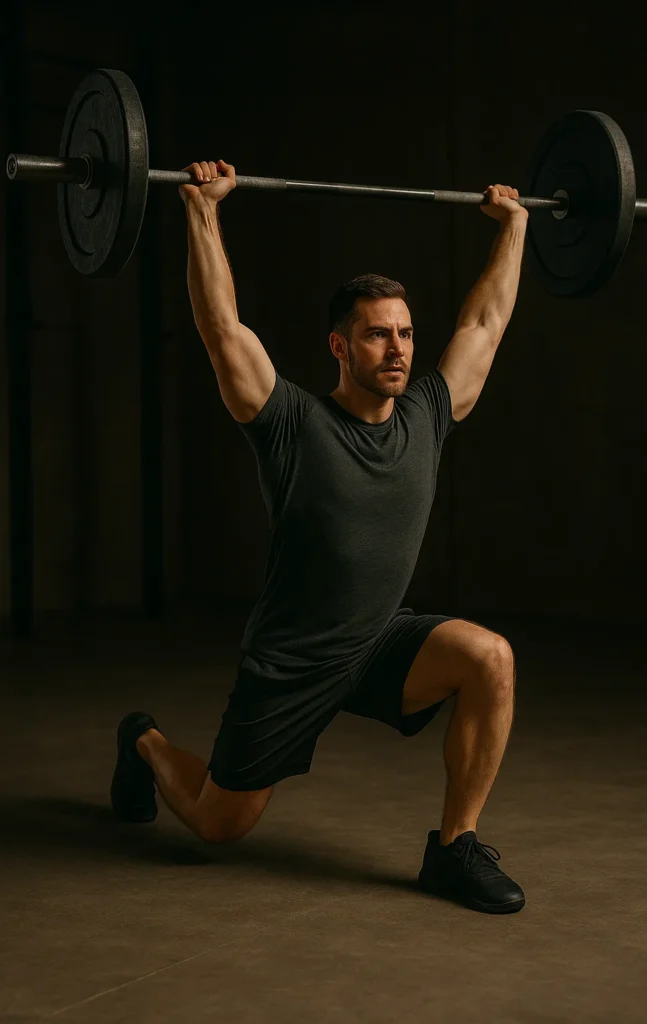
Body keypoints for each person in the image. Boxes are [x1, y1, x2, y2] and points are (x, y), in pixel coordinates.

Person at [111, 159, 529, 915]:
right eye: (376, 336)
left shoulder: (426, 415)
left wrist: (516, 227)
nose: (398, 350)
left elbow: (483, 324)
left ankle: (453, 848)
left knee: (488, 657)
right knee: (217, 825)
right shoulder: (292, 425)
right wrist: (203, 211)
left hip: (376, 644)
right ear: (339, 348)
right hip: (293, 662)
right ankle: (143, 741)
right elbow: (220, 328)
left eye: (404, 333)